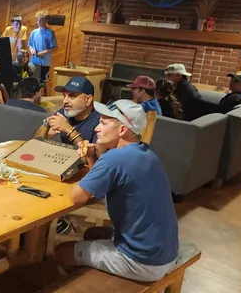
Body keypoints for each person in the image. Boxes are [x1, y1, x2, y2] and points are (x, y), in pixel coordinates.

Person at [54, 100, 180, 282]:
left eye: (103, 123)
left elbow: (77, 197)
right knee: (92, 234)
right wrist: (92, 157)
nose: (96, 128)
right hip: (165, 252)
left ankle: (88, 289)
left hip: (141, 261)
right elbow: (97, 188)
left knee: (62, 251)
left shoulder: (113, 159)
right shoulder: (147, 154)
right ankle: (94, 274)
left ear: (122, 130)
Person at [35, 76, 100, 146]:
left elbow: (93, 153)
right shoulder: (63, 113)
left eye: (72, 96)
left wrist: (69, 130)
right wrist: (46, 123)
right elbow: (36, 143)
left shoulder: (101, 121)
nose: (64, 101)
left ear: (88, 100)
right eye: (64, 96)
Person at [28, 11, 57, 82]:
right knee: (33, 81)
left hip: (45, 63)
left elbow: (54, 48)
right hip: (34, 61)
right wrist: (31, 49)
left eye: (41, 20)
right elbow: (30, 45)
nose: (39, 22)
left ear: (46, 20)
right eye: (38, 20)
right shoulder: (34, 32)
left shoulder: (50, 33)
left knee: (43, 82)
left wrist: (43, 52)